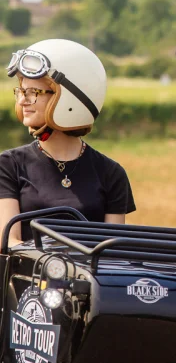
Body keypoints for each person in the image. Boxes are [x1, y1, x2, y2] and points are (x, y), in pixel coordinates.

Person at [0, 39, 135, 246]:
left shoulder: (111, 173)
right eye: (21, 91)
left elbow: (111, 253)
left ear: (70, 99)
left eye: (33, 92)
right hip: (30, 278)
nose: (22, 101)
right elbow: (8, 242)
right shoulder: (8, 165)